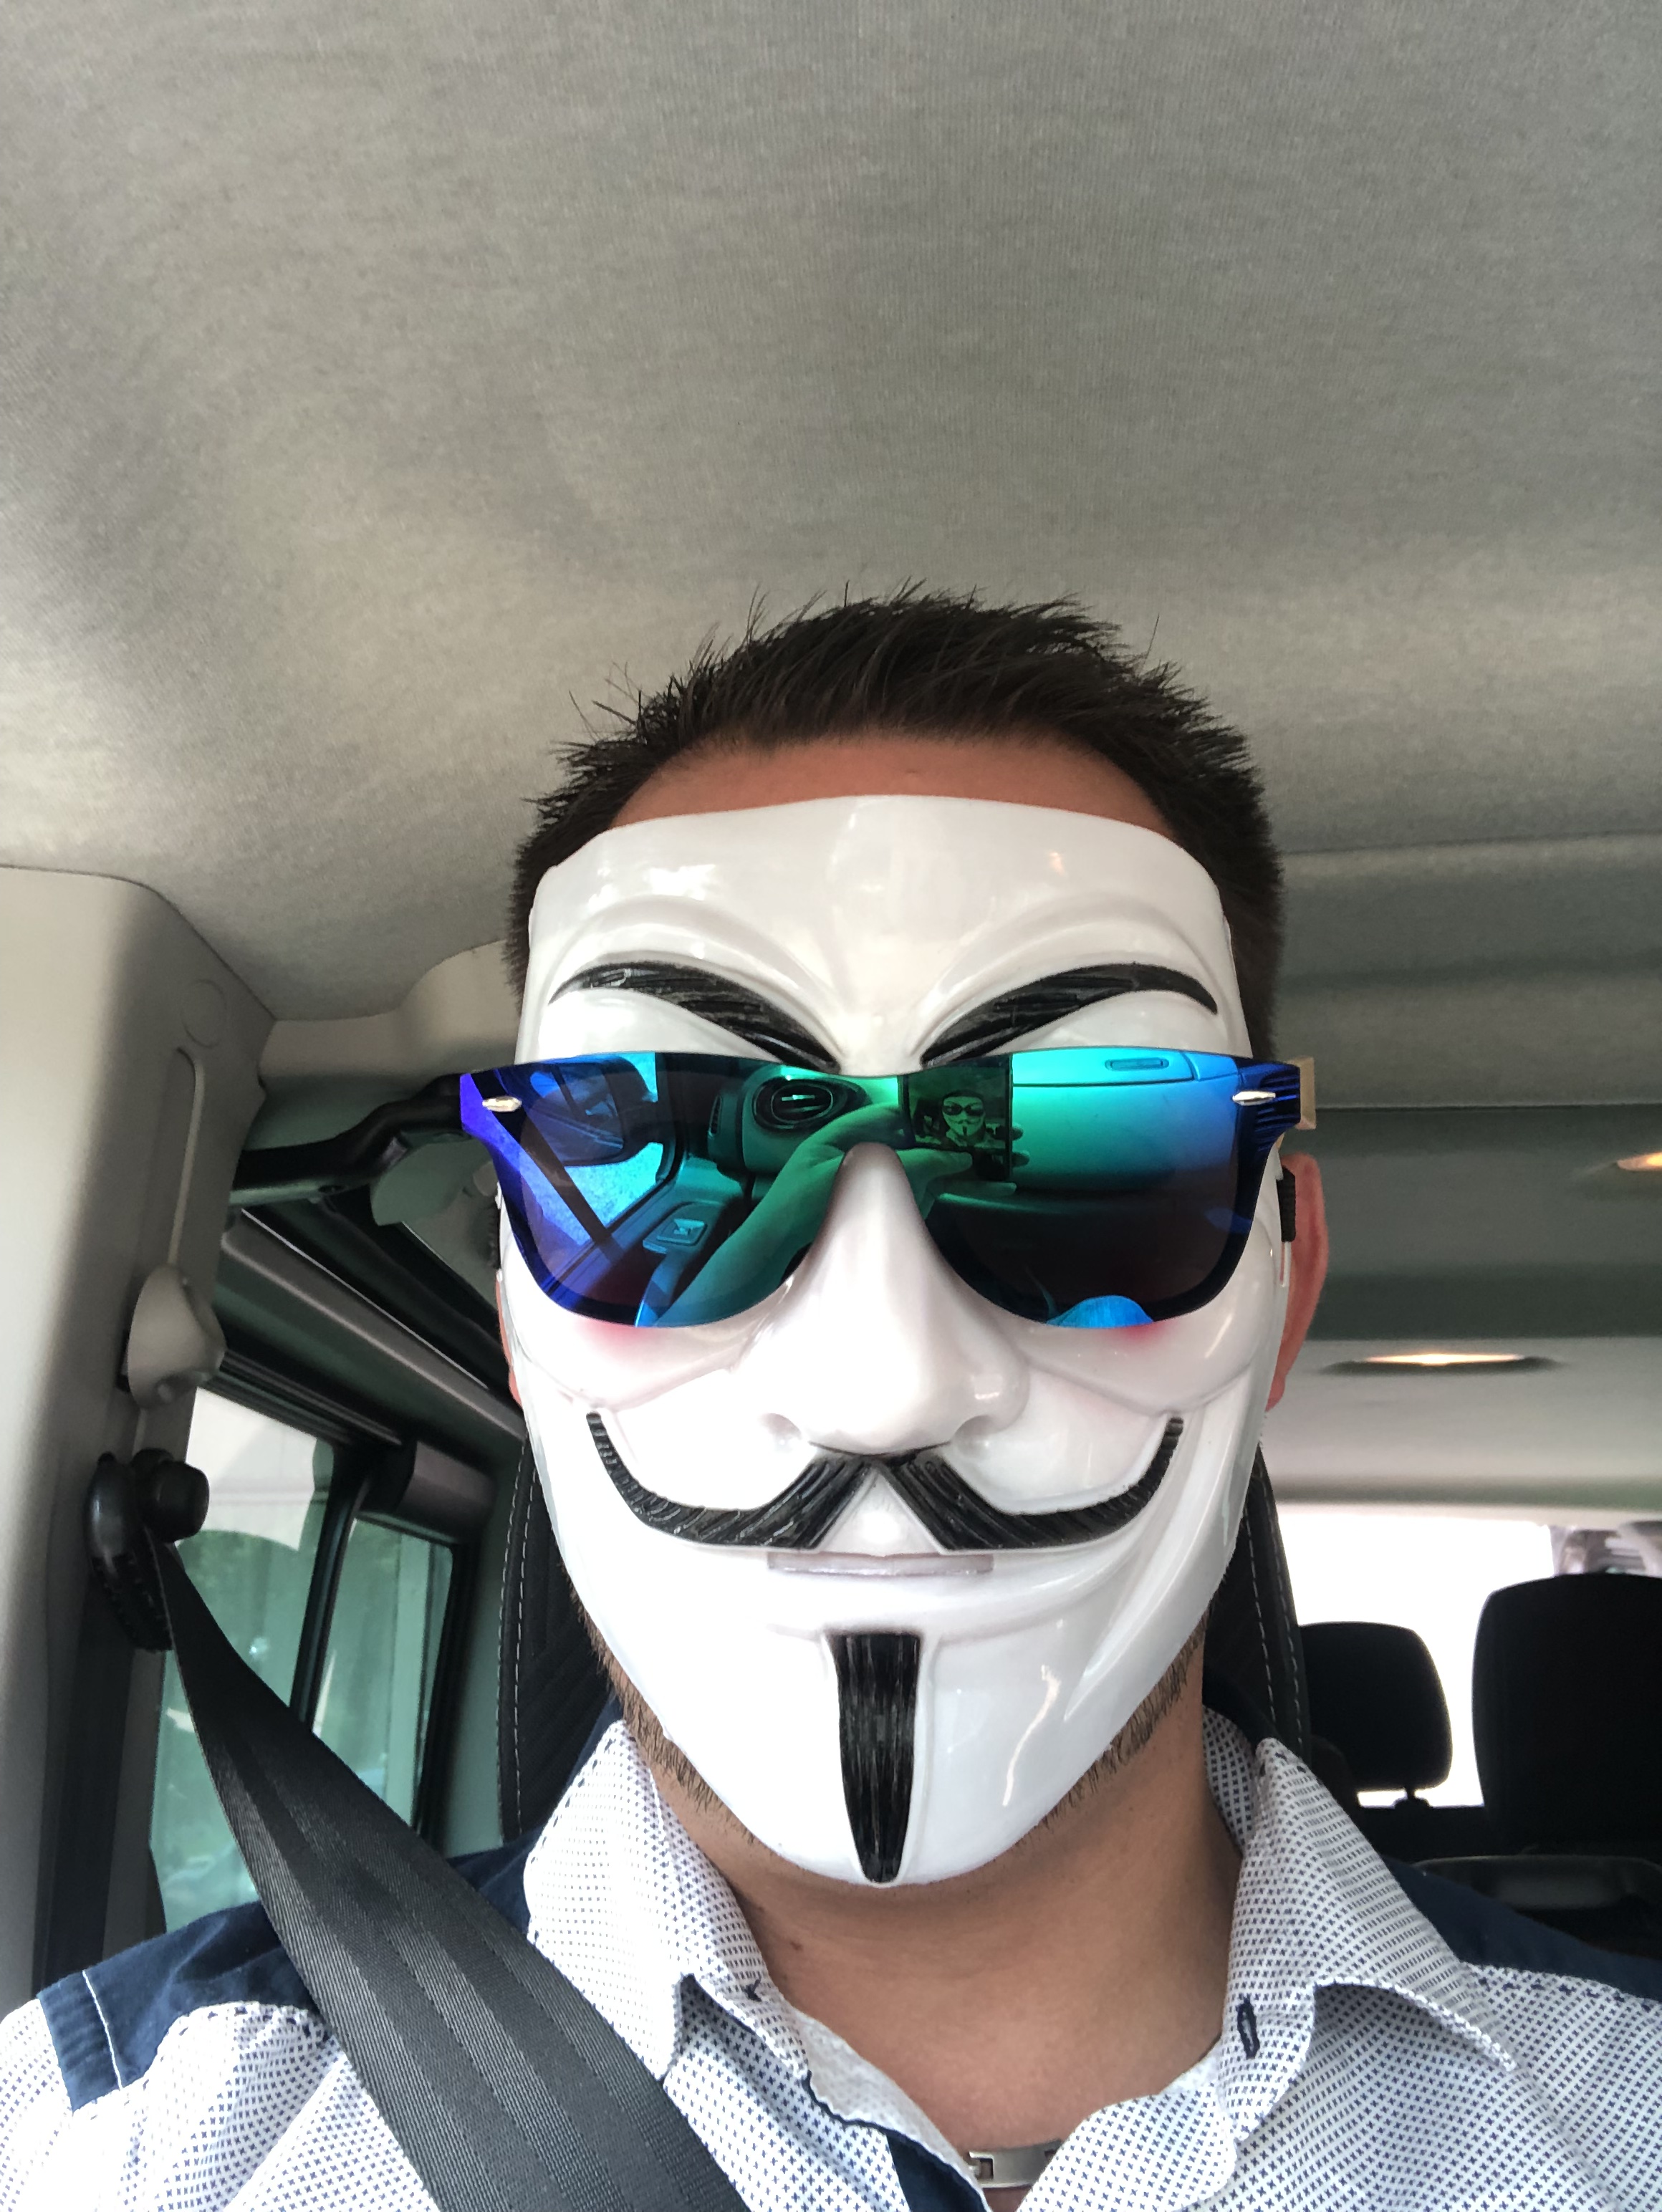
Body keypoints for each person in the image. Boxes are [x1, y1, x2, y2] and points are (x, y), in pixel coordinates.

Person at [3, 592, 1658, 2211]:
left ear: (1280, 1287)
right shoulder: (122, 2148)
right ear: (519, 1301)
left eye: (1089, 1170)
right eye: (669, 1174)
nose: (882, 1387)